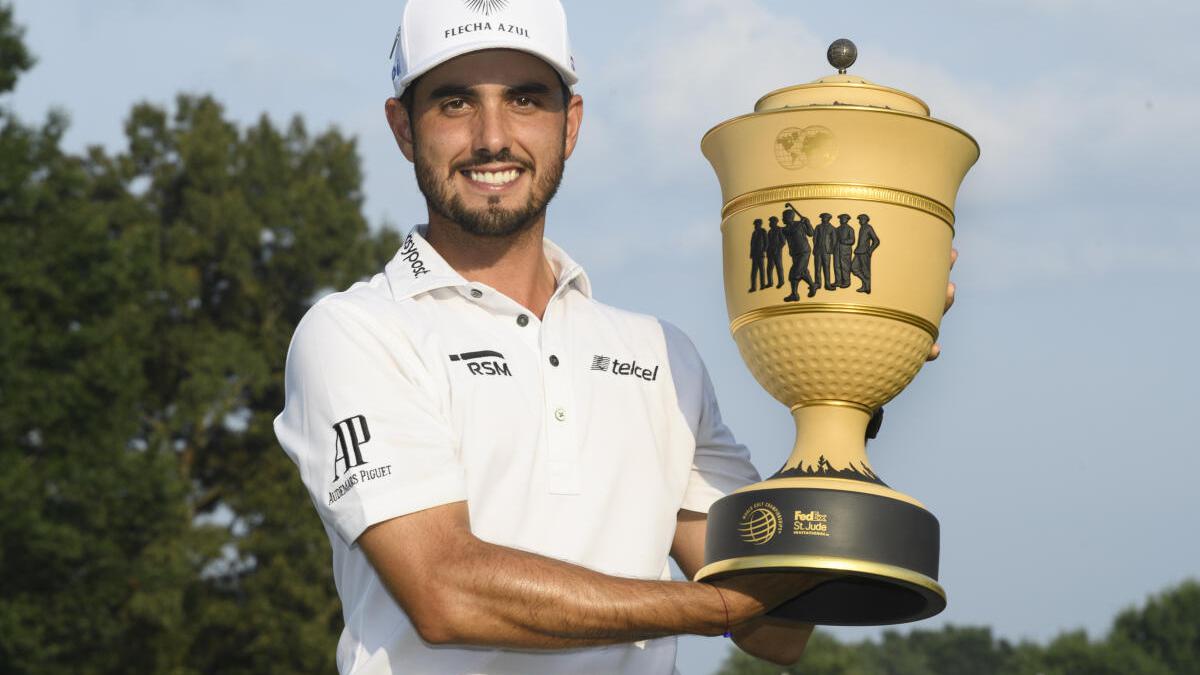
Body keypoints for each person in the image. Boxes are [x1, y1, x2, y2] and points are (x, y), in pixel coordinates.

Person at [273, 1, 823, 673]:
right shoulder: (356, 333)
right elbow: (447, 591)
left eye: (526, 100)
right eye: (453, 104)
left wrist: (841, 389)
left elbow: (781, 631)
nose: (492, 137)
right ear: (402, 128)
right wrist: (720, 608)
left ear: (571, 124)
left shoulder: (661, 354)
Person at [781, 207, 815, 301]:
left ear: (789, 217)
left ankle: (794, 294)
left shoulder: (800, 224)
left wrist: (808, 223)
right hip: (794, 253)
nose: (782, 219)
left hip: (804, 251)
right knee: (803, 271)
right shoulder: (784, 229)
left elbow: (811, 233)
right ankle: (813, 286)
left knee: (794, 273)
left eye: (784, 217)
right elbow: (782, 240)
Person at [851, 213, 881, 293]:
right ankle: (866, 283)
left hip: (864, 252)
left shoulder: (868, 227)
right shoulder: (862, 227)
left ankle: (867, 287)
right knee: (853, 268)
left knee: (865, 270)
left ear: (865, 220)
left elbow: (876, 240)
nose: (859, 221)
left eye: (860, 219)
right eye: (859, 220)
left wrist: (870, 250)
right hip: (858, 252)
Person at [812, 212, 836, 291]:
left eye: (825, 217)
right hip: (818, 250)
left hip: (827, 251)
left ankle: (827, 284)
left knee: (826, 268)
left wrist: (831, 249)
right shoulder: (818, 227)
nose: (823, 219)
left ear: (829, 219)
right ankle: (818, 284)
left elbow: (834, 240)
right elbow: (814, 238)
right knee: (817, 268)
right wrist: (815, 248)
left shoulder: (832, 228)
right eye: (823, 217)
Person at [834, 213, 855, 289]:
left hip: (845, 250)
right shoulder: (837, 229)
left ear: (847, 220)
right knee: (837, 265)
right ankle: (838, 281)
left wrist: (844, 241)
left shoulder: (850, 229)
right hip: (837, 250)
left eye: (843, 218)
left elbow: (852, 240)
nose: (841, 220)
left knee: (845, 266)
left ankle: (846, 282)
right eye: (841, 219)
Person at [765, 215, 786, 289]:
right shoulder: (770, 231)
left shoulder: (779, 230)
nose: (770, 223)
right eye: (770, 222)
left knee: (779, 267)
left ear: (775, 222)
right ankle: (770, 282)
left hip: (777, 252)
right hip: (770, 252)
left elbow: (783, 242)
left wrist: (777, 249)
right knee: (769, 268)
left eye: (771, 221)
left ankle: (781, 281)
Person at [748, 218, 767, 292]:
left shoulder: (763, 231)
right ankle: (753, 287)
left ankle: (762, 285)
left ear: (759, 224)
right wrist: (751, 253)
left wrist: (764, 250)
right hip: (754, 255)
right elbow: (752, 244)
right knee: (753, 272)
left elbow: (766, 242)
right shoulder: (754, 232)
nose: (755, 225)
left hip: (760, 254)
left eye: (756, 224)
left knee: (762, 270)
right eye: (755, 224)